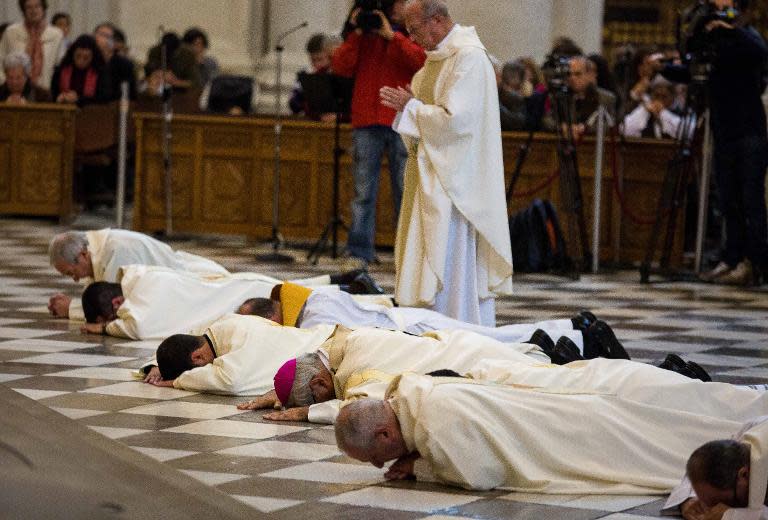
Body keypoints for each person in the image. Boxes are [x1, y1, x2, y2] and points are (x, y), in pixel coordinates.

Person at [334, 373, 748, 492]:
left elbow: (479, 475)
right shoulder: (416, 390)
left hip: (575, 435)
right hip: (575, 411)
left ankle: (749, 455)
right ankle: (745, 445)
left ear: (387, 436)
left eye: (375, 457)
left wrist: (418, 469)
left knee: (663, 455)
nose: (379, 466)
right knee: (666, 432)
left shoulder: (435, 426)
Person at [379, 0, 511, 326]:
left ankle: (458, 324)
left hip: (456, 184)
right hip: (428, 174)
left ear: (436, 20)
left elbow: (457, 123)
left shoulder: (469, 59)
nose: (411, 39)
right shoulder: (431, 65)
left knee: (452, 259)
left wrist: (411, 108)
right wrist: (408, 110)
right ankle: (427, 324)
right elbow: (423, 125)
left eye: (413, 30)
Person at [237, 324, 557, 423]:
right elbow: (305, 365)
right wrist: (279, 392)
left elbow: (361, 407)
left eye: (320, 393)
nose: (329, 394)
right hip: (471, 347)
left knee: (559, 385)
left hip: (488, 369)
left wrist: (307, 411)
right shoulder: (345, 343)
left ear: (320, 382)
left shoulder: (355, 374)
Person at [673, 0, 768, 286]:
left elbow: (761, 51)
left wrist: (731, 29)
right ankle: (732, 258)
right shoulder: (714, 38)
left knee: (750, 200)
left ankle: (757, 264)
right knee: (728, 199)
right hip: (723, 129)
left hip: (750, 131)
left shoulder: (745, 34)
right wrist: (665, 66)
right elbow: (692, 61)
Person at [332, 0, 426, 269]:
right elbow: (340, 66)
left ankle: (407, 253)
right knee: (363, 192)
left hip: (400, 119)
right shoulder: (362, 37)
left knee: (404, 189)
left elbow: (420, 63)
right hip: (366, 119)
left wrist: (391, 36)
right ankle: (360, 250)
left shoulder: (407, 34)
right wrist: (356, 32)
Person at [238, 281, 593, 349]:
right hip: (410, 323)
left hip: (414, 332)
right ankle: (571, 327)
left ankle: (574, 332)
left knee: (493, 339)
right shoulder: (314, 299)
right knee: (492, 337)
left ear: (272, 320)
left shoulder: (313, 320)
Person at [78, 265, 374, 340]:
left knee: (315, 302)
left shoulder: (141, 290)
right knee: (310, 295)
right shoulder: (139, 277)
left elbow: (138, 325)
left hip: (235, 297)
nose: (115, 321)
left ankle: (361, 289)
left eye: (110, 317)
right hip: (231, 289)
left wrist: (103, 330)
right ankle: (353, 284)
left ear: (117, 301)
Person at [47, 229, 229, 320]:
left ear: (83, 255)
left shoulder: (115, 251)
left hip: (199, 285)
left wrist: (72, 309)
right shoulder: (96, 246)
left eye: (72, 273)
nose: (76, 279)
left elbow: (119, 309)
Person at [143, 313, 336, 396]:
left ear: (197, 358)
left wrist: (178, 381)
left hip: (332, 348)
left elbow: (230, 380)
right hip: (327, 336)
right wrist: (156, 365)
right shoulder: (220, 325)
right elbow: (180, 339)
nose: (210, 368)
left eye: (203, 368)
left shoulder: (238, 340)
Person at [663, 416, 768, 519]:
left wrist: (734, 515)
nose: (716, 509)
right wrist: (689, 499)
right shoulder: (751, 432)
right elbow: (704, 464)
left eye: (726, 502)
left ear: (744, 475)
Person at [0, 0, 63, 90]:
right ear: (23, 10)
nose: (33, 11)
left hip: (45, 91)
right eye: (29, 7)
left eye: (37, 6)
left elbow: (60, 67)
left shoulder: (56, 34)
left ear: (43, 9)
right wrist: (5, 84)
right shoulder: (11, 32)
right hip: (13, 92)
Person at [289, 32, 338, 121]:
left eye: (320, 59)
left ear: (330, 56)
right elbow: (294, 103)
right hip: (312, 123)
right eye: (313, 60)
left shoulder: (339, 74)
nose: (316, 64)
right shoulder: (306, 74)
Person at [50, 34, 108, 106]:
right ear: (73, 54)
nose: (81, 61)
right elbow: (53, 94)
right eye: (78, 56)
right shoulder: (61, 70)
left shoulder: (100, 73)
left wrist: (78, 99)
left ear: (93, 57)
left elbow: (103, 99)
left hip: (90, 113)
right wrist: (60, 97)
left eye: (86, 58)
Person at [622, 77, 686, 139]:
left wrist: (662, 113)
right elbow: (624, 130)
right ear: (651, 96)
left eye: (664, 97)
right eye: (657, 96)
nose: (660, 100)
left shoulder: (680, 112)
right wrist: (645, 111)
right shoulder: (645, 110)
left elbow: (684, 134)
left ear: (672, 97)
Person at [93, 22, 136, 100]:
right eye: (98, 34)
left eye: (106, 36)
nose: (99, 38)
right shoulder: (91, 61)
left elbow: (129, 93)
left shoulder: (124, 64)